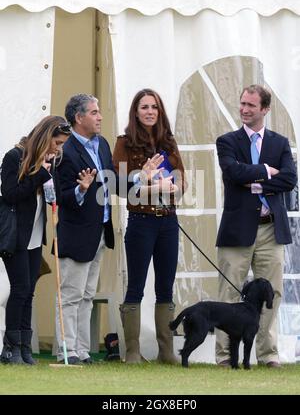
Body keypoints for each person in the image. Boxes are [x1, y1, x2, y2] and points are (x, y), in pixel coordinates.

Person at [215, 84, 297, 368]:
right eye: (242, 104)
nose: (244, 109)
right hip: (237, 228)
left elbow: (289, 180)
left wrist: (256, 182)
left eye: (251, 105)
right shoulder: (227, 141)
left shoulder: (280, 143)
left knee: (271, 293)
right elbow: (233, 171)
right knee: (229, 291)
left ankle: (268, 355)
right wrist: (265, 170)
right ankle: (226, 356)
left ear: (265, 109)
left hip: (271, 229)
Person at [113, 88, 186, 364]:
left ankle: (166, 352)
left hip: (168, 221)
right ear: (135, 111)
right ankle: (132, 352)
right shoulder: (124, 143)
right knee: (136, 287)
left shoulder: (169, 143)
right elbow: (118, 186)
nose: (150, 111)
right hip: (140, 222)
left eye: (154, 107)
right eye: (144, 107)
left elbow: (182, 185)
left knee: (166, 287)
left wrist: (171, 187)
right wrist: (149, 183)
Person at [0, 116, 71, 364]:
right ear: (45, 136)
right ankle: (10, 349)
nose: (58, 148)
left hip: (35, 236)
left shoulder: (51, 161)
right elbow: (10, 194)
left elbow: (55, 198)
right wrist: (40, 173)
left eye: (62, 144)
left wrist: (51, 173)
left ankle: (24, 347)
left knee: (29, 290)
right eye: (57, 142)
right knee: (19, 290)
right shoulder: (14, 157)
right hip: (16, 236)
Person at [55, 94, 116, 365]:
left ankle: (81, 350)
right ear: (79, 118)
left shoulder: (101, 144)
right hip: (76, 233)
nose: (100, 117)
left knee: (87, 295)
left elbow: (111, 179)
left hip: (100, 231)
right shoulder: (64, 150)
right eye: (94, 112)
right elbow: (60, 195)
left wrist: (140, 178)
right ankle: (66, 350)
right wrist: (81, 189)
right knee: (71, 295)